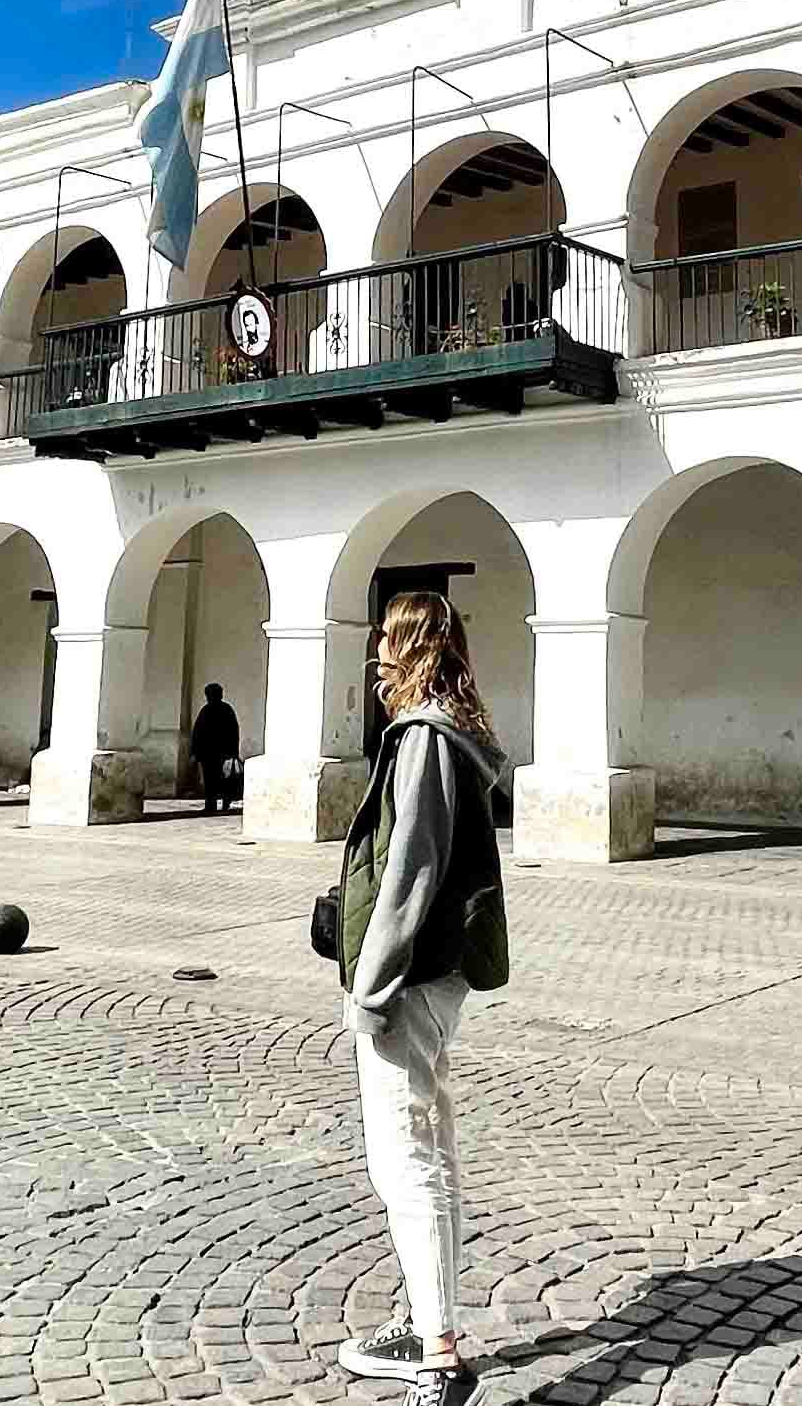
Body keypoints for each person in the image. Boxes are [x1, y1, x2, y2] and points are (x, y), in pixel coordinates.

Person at [334, 592, 510, 1406]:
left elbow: (411, 866)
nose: (374, 652)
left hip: (410, 974)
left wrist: (371, 982)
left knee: (404, 1157)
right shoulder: (454, 733)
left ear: (408, 646)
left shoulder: (423, 738)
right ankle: (426, 1314)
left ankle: (437, 1351)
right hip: (439, 972)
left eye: (384, 639)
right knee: (428, 1144)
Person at [189, 682, 241, 815]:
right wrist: (195, 751)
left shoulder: (219, 710)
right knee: (211, 780)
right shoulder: (209, 711)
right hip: (209, 754)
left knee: (220, 779)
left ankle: (221, 802)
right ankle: (212, 804)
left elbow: (233, 732)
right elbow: (197, 733)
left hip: (219, 753)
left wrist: (233, 753)